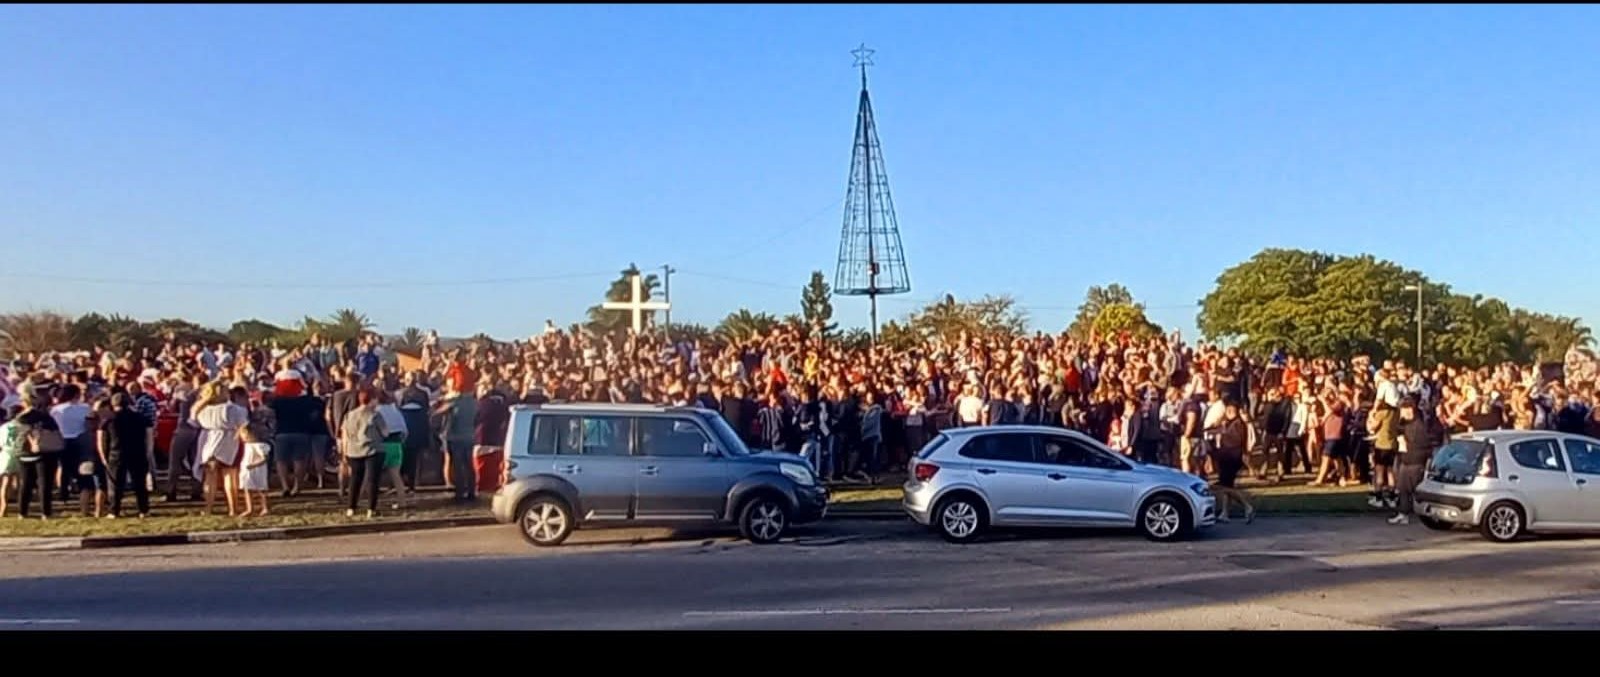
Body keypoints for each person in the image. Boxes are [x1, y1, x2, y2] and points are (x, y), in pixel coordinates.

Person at [194, 383, 248, 516]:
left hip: (209, 441)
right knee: (230, 475)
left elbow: (193, 419)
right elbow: (243, 425)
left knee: (210, 477)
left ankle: (208, 508)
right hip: (229, 441)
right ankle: (233, 509)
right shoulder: (235, 409)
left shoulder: (202, 409)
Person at [1390, 396, 1443, 526]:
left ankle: (1428, 513)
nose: (1401, 413)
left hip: (1415, 461)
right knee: (1403, 488)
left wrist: (1408, 445)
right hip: (1406, 460)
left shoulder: (1418, 425)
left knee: (1416, 489)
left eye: (1403, 410)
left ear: (1410, 410)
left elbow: (1423, 445)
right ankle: (1403, 513)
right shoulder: (1404, 424)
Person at [339, 386, 388, 518]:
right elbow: (385, 432)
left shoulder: (349, 415)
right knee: (373, 480)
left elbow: (344, 434)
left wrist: (344, 452)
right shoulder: (375, 415)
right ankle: (371, 509)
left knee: (355, 479)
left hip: (353, 450)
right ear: (372, 400)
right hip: (372, 449)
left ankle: (351, 507)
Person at [101, 393, 151, 519]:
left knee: (115, 484)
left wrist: (104, 457)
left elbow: (101, 440)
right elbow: (149, 438)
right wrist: (148, 453)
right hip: (137, 452)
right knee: (140, 483)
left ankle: (114, 510)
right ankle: (143, 510)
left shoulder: (108, 420)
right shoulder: (141, 418)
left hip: (116, 453)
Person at [14, 391, 63, 519]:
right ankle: (45, 512)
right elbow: (55, 432)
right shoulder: (46, 417)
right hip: (44, 452)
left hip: (23, 453)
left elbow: (19, 434)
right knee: (44, 483)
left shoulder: (19, 418)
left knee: (25, 483)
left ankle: (22, 512)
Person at [1209, 398, 1255, 524]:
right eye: (1227, 409)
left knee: (1223, 486)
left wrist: (1222, 431)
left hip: (1232, 457)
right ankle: (1225, 512)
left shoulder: (1238, 424)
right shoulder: (1228, 423)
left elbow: (1234, 441)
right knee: (1228, 485)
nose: (1229, 411)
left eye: (1232, 409)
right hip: (1226, 457)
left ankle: (1247, 506)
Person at [50, 384, 92, 505]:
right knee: (80, 466)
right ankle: (82, 489)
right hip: (80, 438)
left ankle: (63, 492)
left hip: (63, 438)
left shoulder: (56, 410)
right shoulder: (84, 408)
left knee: (63, 467)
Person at [237, 411, 271, 516]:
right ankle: (249, 508)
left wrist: (254, 465)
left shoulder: (259, 446)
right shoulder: (247, 446)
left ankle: (264, 507)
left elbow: (264, 458)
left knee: (261, 490)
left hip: (257, 470)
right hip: (247, 470)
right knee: (247, 489)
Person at [0, 404, 26, 517]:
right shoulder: (24, 426)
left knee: (6, 482)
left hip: (6, 454)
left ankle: (3, 506)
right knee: (21, 483)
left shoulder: (4, 427)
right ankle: (21, 508)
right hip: (21, 455)